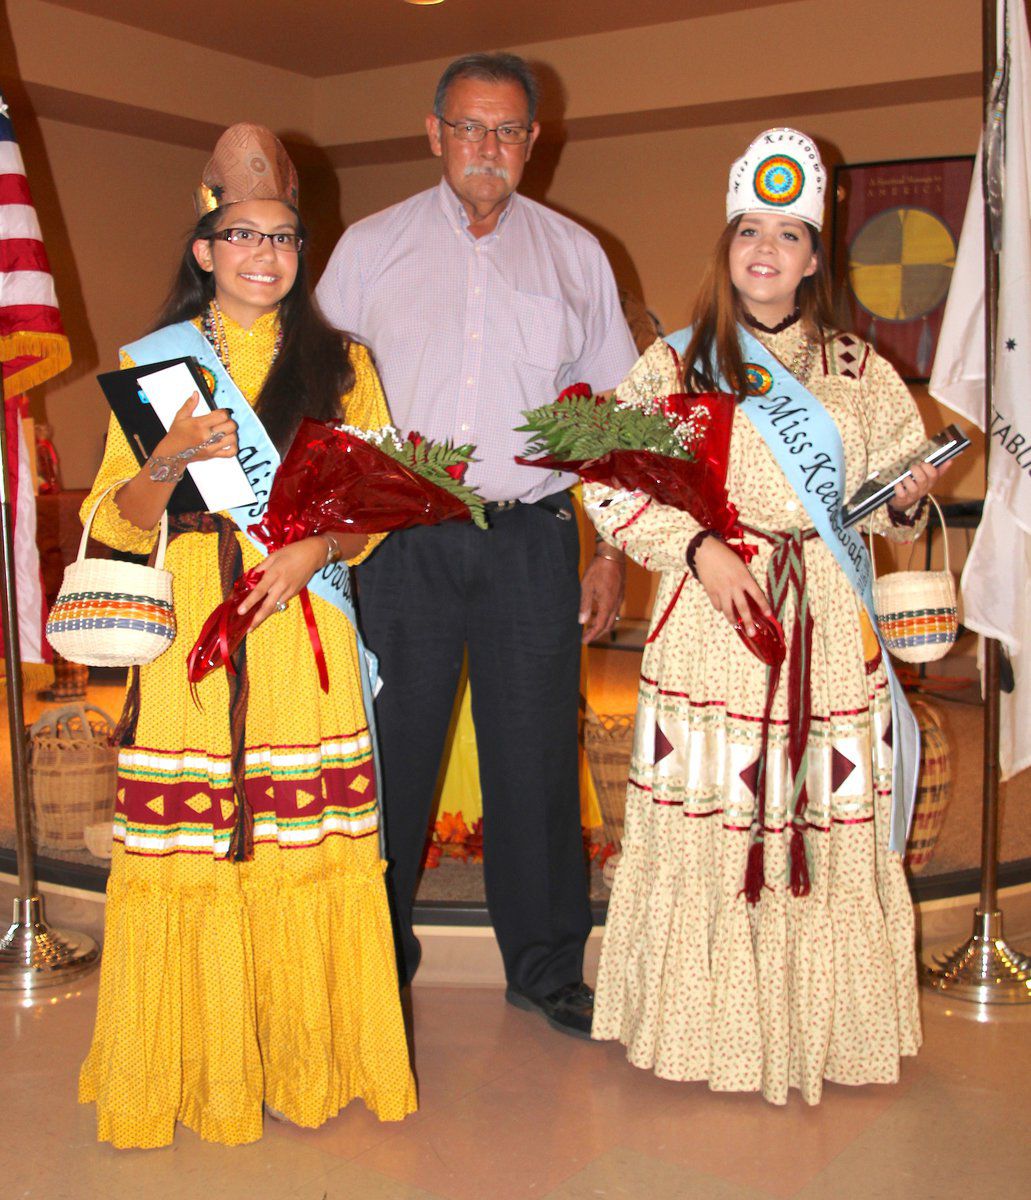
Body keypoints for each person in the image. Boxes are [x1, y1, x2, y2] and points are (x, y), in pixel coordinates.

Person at [588, 128, 947, 1103]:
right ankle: (707, 1031)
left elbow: (892, 508)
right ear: (725, 240)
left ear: (811, 254)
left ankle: (820, 1030)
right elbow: (609, 487)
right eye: (748, 229)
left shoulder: (856, 368)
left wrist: (908, 497)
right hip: (714, 620)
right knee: (720, 817)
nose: (763, 251)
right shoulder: (672, 365)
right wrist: (695, 548)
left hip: (825, 628)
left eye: (786, 235)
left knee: (818, 820)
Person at [77, 124, 415, 1147]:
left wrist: (315, 552)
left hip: (299, 623)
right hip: (191, 628)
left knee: (299, 843)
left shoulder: (343, 363)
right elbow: (112, 516)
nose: (263, 256)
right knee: (195, 850)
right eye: (241, 236)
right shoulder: (152, 368)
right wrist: (170, 454)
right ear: (204, 248)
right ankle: (196, 1066)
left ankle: (304, 1059)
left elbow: (380, 503)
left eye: (282, 238)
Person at [315, 53, 637, 1036]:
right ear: (432, 132)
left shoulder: (575, 256)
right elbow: (318, 401)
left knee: (535, 763)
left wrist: (609, 549)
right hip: (396, 545)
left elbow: (607, 420)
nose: (485, 149)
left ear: (534, 141)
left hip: (528, 544)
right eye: (468, 128)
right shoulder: (368, 249)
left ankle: (544, 971)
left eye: (505, 131)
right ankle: (373, 962)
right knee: (388, 764)